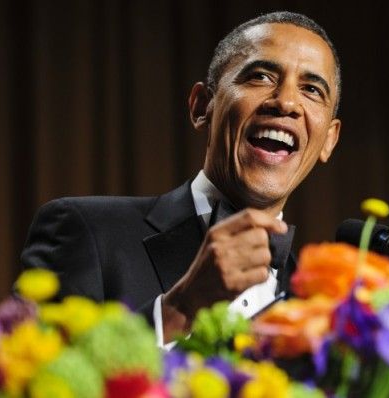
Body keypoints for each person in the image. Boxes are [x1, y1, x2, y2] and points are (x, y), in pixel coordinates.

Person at [20, 11, 342, 344]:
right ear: (202, 106)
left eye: (312, 90)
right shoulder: (86, 231)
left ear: (329, 140)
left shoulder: (322, 307)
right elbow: (31, 379)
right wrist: (179, 309)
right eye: (260, 76)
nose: (286, 101)